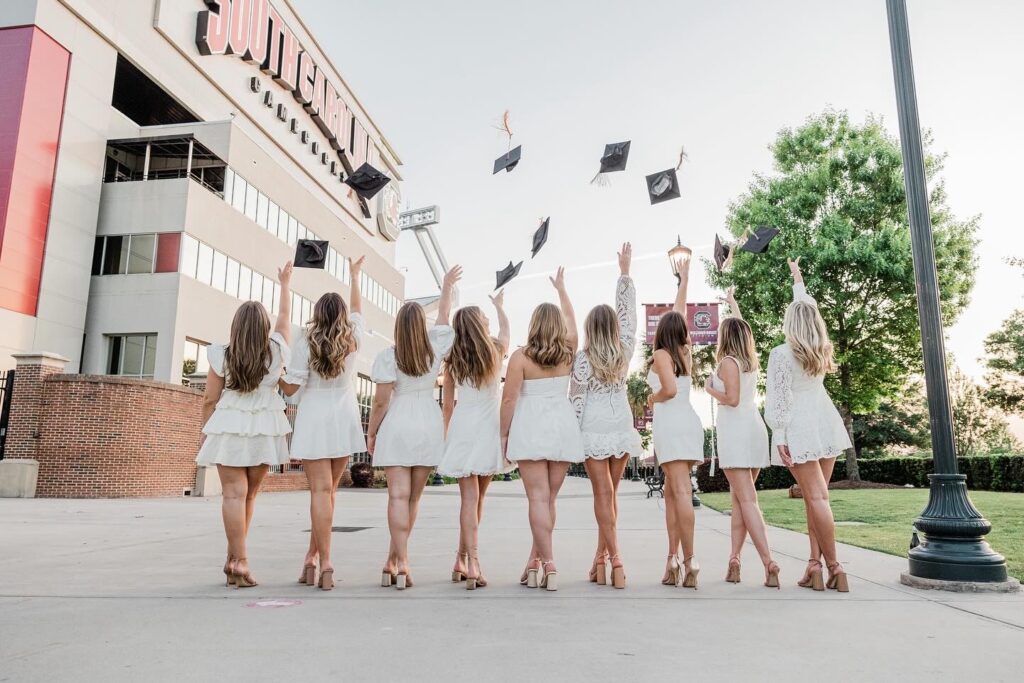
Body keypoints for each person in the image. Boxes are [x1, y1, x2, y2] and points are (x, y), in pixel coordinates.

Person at [196, 261, 294, 588]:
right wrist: (285, 284)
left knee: (232, 496)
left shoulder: (221, 354)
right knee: (250, 495)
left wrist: (207, 433)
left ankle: (235, 559)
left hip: (229, 424)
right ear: (264, 326)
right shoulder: (277, 351)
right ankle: (237, 559)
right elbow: (284, 318)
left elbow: (210, 399)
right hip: (264, 426)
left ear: (236, 326)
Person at [368, 265, 461, 590]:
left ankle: (398, 561)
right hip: (427, 423)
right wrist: (447, 287)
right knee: (413, 500)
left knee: (396, 497)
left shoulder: (388, 356)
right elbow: (444, 319)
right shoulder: (433, 350)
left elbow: (380, 403)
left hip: (398, 422)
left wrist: (371, 431)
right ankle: (397, 562)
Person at [280, 255, 367, 591]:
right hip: (343, 419)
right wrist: (355, 276)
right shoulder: (353, 337)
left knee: (319, 492)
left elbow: (292, 388)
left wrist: (278, 378)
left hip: (314, 420)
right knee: (330, 492)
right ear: (342, 316)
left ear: (317, 314)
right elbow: (358, 309)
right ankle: (312, 557)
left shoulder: (305, 340)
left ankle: (323, 560)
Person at [765, 257, 852, 592]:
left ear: (790, 324)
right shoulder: (820, 349)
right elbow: (807, 306)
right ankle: (813, 565)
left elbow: (779, 400)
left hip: (799, 426)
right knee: (816, 499)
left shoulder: (781, 354)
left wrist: (780, 434)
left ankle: (834, 566)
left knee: (816, 499)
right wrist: (797, 278)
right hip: (824, 421)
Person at [501, 267, 584, 592]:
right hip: (561, 427)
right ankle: (534, 563)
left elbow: (508, 401)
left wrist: (504, 435)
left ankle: (548, 564)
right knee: (549, 500)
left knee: (537, 498)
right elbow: (573, 324)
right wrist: (563, 290)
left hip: (531, 428)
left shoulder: (520, 358)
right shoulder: (567, 352)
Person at [569, 243, 641, 589]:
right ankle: (600, 560)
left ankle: (617, 560)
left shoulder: (582, 360)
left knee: (602, 496)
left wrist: (570, 435)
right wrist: (624, 275)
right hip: (620, 425)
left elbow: (576, 404)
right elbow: (629, 317)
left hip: (594, 428)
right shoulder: (624, 351)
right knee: (611, 496)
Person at [703, 286, 779, 588]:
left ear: (726, 338)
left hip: (736, 432)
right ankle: (734, 560)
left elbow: (731, 399)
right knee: (740, 501)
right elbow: (741, 325)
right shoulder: (749, 362)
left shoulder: (726, 363)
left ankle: (768, 561)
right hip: (753, 429)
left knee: (747, 500)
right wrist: (733, 303)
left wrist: (709, 387)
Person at [438, 291, 512, 590]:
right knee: (478, 499)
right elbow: (506, 331)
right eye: (482, 315)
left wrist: (448, 434)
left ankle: (462, 558)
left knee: (469, 500)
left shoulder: (453, 357)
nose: (486, 317)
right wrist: (500, 308)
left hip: (463, 427)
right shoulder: (495, 350)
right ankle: (474, 563)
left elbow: (446, 404)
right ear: (478, 324)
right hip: (488, 428)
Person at [647, 249, 704, 589]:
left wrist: (649, 398)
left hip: (671, 421)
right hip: (688, 420)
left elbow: (667, 391)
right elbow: (680, 313)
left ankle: (691, 559)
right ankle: (673, 560)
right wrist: (685, 282)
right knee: (671, 492)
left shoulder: (660, 354)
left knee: (680, 491)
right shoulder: (684, 350)